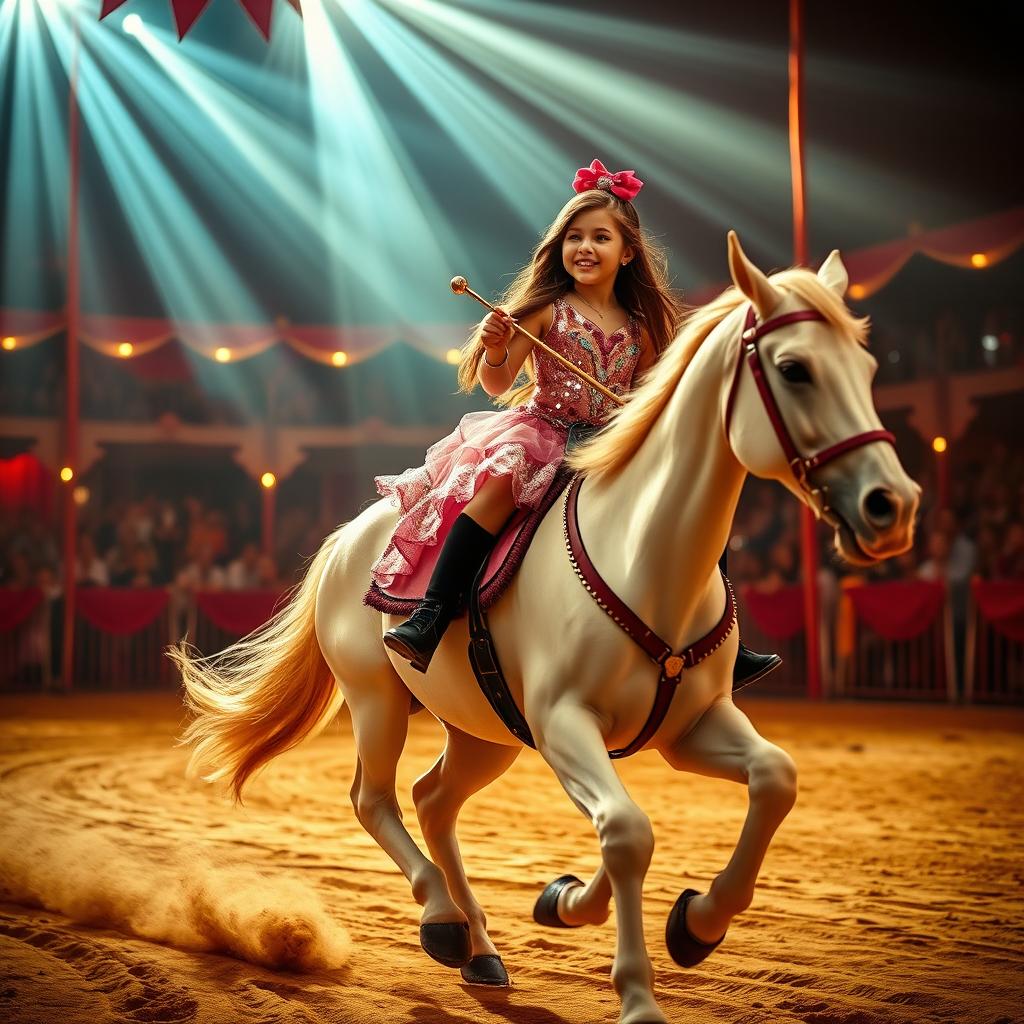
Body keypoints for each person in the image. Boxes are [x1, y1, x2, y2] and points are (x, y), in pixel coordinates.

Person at [375, 159, 780, 685]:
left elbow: (652, 396)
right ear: (558, 248)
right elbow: (498, 386)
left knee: (694, 499)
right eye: (574, 237)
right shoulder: (547, 309)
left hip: (612, 442)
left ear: (628, 252)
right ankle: (430, 616)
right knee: (498, 488)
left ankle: (725, 635)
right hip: (545, 434)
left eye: (600, 237)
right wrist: (497, 349)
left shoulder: (643, 324)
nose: (584, 247)